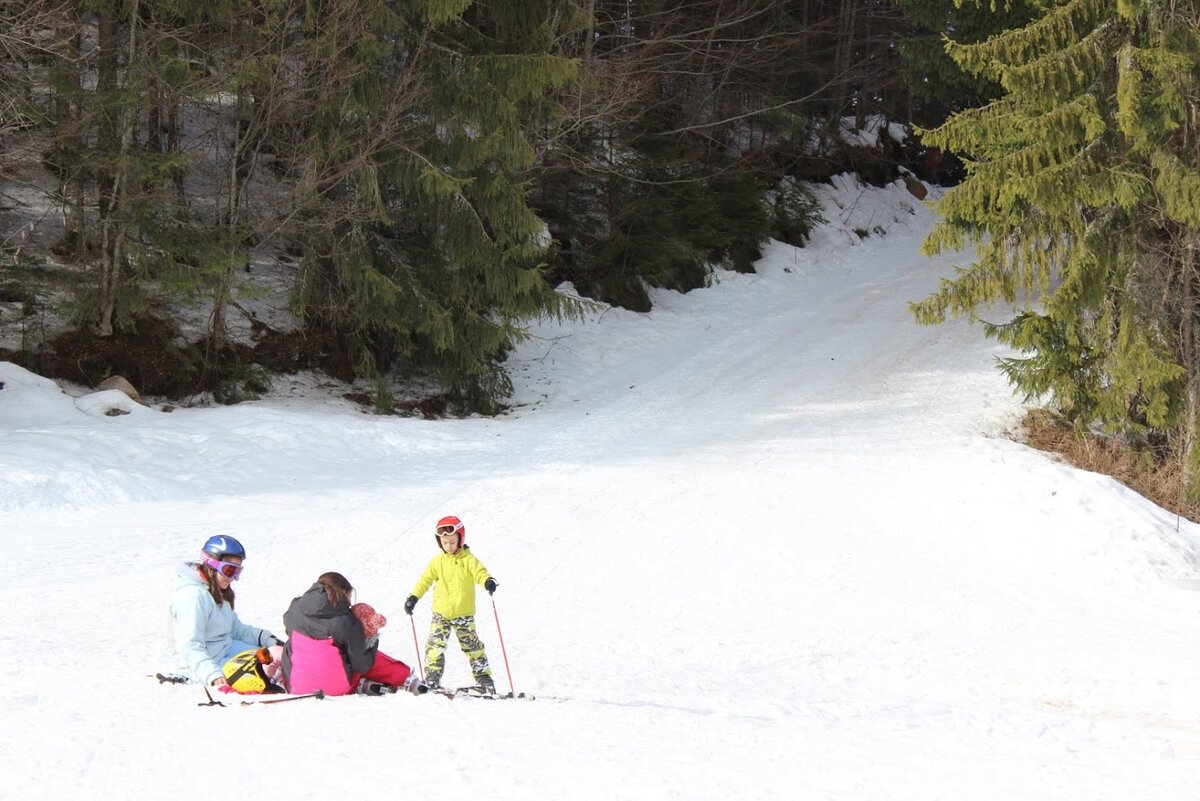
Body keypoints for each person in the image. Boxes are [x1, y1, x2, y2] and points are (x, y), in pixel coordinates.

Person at [281, 571, 426, 696]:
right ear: (344, 593)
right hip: (337, 687)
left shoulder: (295, 607)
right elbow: (361, 665)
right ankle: (406, 678)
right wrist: (371, 641)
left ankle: (284, 679)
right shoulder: (347, 621)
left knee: (294, 642)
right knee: (362, 655)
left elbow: (288, 626)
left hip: (296, 686)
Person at [170, 535, 283, 689]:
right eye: (229, 570)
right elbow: (189, 644)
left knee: (274, 656)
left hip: (226, 650)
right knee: (264, 671)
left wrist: (266, 638)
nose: (233, 578)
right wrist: (212, 674)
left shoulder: (215, 589)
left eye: (237, 572)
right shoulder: (193, 597)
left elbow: (235, 628)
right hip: (204, 664)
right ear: (212, 564)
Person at [404, 515, 499, 694]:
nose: (449, 546)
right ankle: (432, 679)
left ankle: (484, 679)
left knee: (472, 647)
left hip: (463, 613)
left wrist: (488, 581)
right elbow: (425, 580)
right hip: (441, 613)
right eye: (444, 543)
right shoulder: (437, 561)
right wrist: (414, 597)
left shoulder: (469, 560)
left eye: (452, 542)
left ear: (461, 539)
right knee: (434, 646)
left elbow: (480, 572)